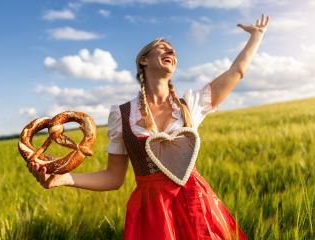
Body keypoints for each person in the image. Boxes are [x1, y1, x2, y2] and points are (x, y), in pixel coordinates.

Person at [28, 13, 270, 240]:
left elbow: (237, 71)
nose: (171, 51)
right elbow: (113, 178)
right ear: (143, 60)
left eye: (173, 51)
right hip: (153, 213)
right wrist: (62, 179)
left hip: (197, 205)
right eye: (162, 47)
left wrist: (257, 36)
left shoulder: (191, 105)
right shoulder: (121, 115)